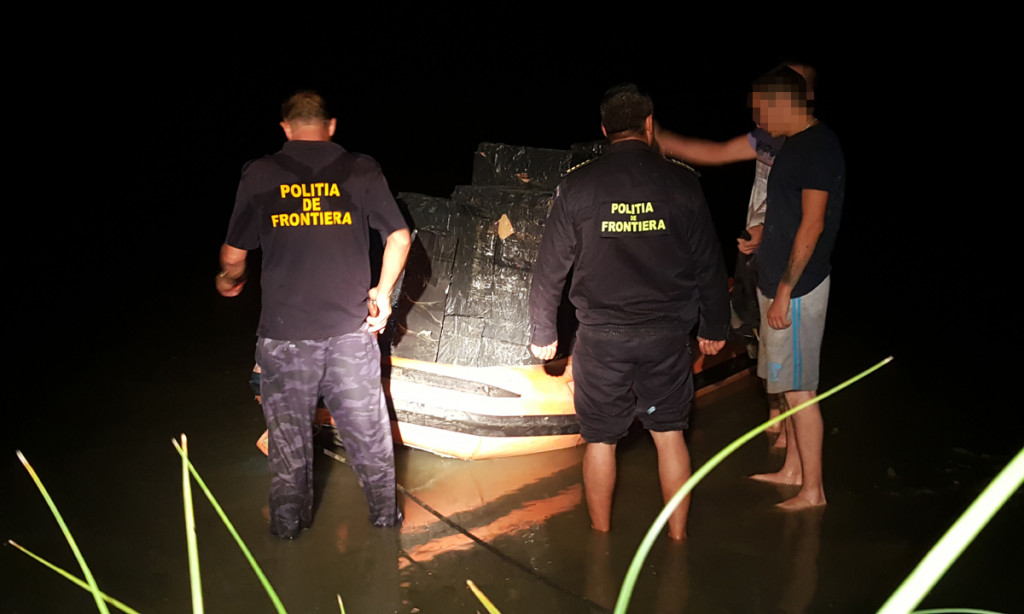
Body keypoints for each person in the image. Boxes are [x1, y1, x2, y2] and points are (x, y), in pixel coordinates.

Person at [529, 84, 730, 540]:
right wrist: (715, 325)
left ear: (604, 130)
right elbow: (709, 263)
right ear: (649, 125)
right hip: (667, 338)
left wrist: (544, 331)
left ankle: (601, 542)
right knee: (669, 434)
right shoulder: (683, 183)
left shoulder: (577, 185)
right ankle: (677, 541)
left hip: (602, 340)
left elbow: (549, 268)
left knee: (600, 440)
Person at [216, 90, 412, 538]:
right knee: (371, 444)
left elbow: (234, 255)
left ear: (285, 128)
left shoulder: (261, 173)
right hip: (351, 336)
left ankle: (288, 539)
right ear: (331, 126)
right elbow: (399, 237)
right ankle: (387, 529)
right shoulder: (362, 168)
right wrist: (382, 294)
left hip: (285, 340)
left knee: (289, 452)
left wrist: (227, 281)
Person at [657, 63, 817, 444]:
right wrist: (662, 140)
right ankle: (775, 413)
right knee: (757, 333)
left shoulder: (809, 147)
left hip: (788, 260)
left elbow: (813, 218)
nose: (761, 111)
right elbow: (715, 152)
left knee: (786, 347)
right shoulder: (766, 137)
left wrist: (767, 231)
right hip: (756, 254)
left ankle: (789, 432)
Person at [745, 67, 844, 510]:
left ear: (784, 102)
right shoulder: (794, 145)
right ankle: (793, 471)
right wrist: (762, 236)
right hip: (777, 282)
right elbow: (787, 214)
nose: (758, 120)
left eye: (761, 110)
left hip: (799, 291)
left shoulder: (819, 147)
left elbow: (813, 224)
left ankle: (813, 490)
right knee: (787, 385)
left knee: (802, 391)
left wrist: (786, 291)